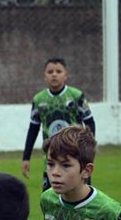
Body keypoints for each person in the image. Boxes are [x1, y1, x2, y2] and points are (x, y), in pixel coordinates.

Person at [21, 58, 95, 191]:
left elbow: (90, 122)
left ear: (66, 75)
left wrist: (89, 151)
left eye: (58, 71)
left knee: (81, 200)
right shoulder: (39, 100)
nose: (54, 74)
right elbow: (33, 129)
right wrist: (26, 157)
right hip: (51, 157)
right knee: (51, 199)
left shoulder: (76, 96)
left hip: (76, 156)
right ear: (44, 76)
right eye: (50, 71)